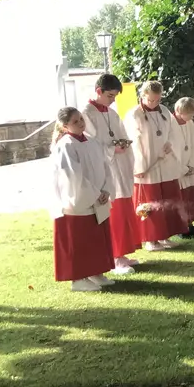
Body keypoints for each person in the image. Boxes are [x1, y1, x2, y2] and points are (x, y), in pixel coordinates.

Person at [49, 107, 116, 292]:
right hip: (78, 201)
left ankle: (96, 272)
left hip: (98, 196)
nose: (80, 123)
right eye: (75, 122)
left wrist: (106, 190)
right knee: (80, 241)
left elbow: (105, 167)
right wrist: (95, 194)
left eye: (81, 119)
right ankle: (78, 278)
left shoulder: (92, 142)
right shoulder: (66, 145)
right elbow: (73, 176)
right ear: (64, 126)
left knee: (96, 238)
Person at [81, 73, 140, 274]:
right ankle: (114, 257)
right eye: (110, 95)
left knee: (123, 211)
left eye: (115, 96)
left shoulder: (111, 112)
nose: (113, 100)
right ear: (98, 91)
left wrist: (123, 144)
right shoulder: (86, 114)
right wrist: (111, 149)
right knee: (113, 213)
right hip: (105, 170)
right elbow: (88, 144)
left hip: (120, 168)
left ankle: (122, 253)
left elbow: (120, 133)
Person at [126, 80, 188, 251]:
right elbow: (133, 141)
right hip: (148, 165)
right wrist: (139, 166)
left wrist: (170, 144)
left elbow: (174, 133)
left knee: (167, 199)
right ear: (143, 96)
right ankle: (151, 239)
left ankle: (165, 235)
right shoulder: (134, 114)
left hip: (165, 162)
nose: (154, 103)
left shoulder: (165, 111)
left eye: (157, 100)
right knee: (151, 201)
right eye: (151, 100)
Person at [172, 97, 194, 238]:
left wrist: (193, 164)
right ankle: (181, 227)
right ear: (179, 111)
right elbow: (172, 150)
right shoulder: (170, 123)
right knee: (180, 198)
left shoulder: (189, 123)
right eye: (190, 114)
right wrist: (182, 168)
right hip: (178, 169)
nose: (191, 117)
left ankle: (190, 224)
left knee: (190, 197)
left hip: (189, 167)